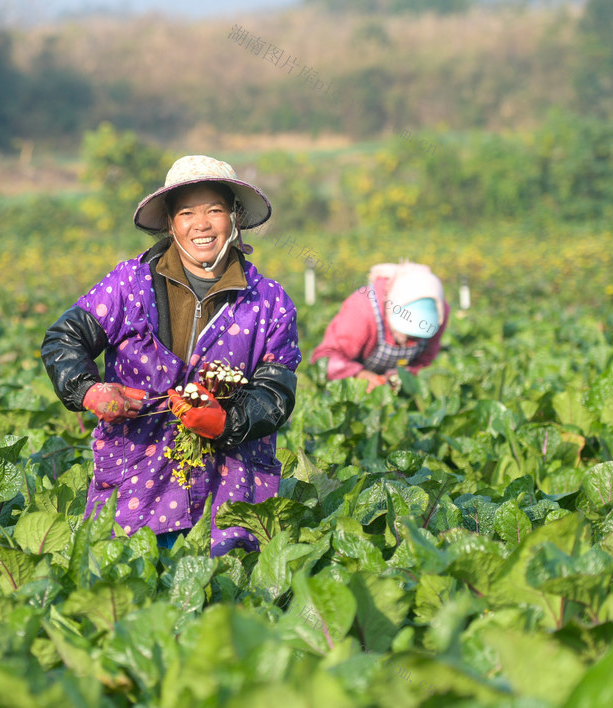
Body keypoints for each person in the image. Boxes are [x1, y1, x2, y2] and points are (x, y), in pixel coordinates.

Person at [41, 155, 300, 556]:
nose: (201, 224)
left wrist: (226, 421)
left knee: (223, 602)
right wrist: (89, 391)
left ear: (234, 218)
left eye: (215, 210)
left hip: (228, 489)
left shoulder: (269, 302)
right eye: (186, 213)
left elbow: (276, 392)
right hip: (137, 482)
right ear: (170, 223)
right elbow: (64, 338)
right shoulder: (129, 284)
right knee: (133, 595)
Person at [310, 262, 450, 391]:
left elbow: (425, 360)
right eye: (405, 333)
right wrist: (358, 375)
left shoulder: (438, 314)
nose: (408, 341)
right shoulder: (363, 309)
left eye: (416, 336)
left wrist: (407, 374)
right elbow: (325, 359)